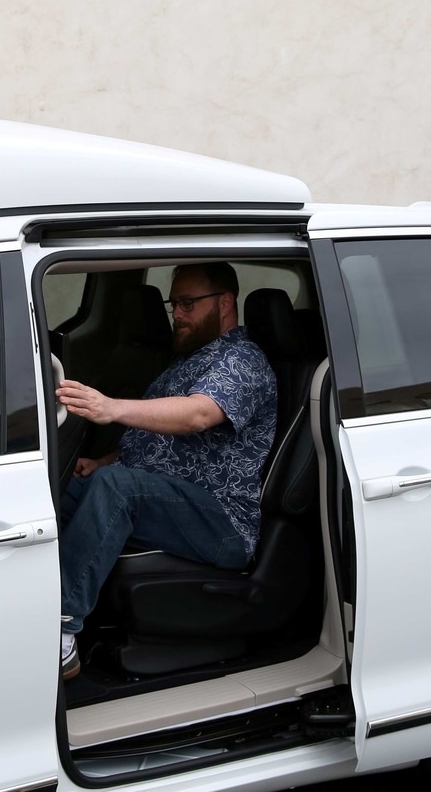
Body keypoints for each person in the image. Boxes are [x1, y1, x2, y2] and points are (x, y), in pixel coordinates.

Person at [53, 262, 277, 679]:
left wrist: (111, 407)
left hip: (222, 521)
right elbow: (158, 442)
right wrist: (101, 461)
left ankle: (61, 631)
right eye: (175, 304)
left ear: (225, 302)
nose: (178, 313)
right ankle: (24, 608)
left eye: (189, 304)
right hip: (170, 500)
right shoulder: (186, 362)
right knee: (68, 489)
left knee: (118, 489)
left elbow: (197, 415)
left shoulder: (241, 360)